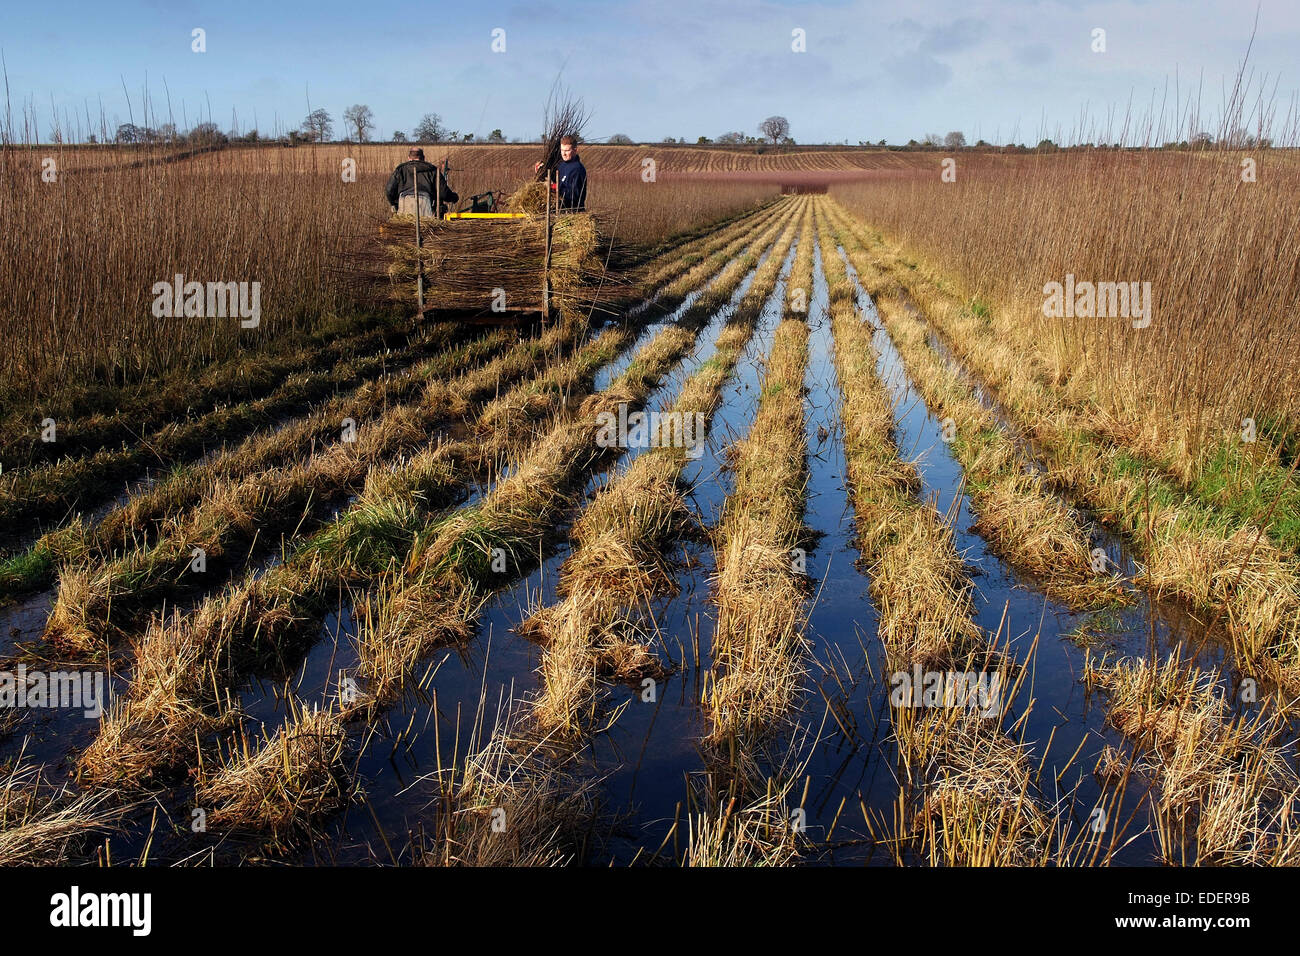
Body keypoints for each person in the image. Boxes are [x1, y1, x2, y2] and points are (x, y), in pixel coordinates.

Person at [385, 147, 458, 216]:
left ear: (409, 158)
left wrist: (394, 204)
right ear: (423, 158)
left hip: (404, 212)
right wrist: (453, 197)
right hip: (427, 213)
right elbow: (444, 193)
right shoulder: (433, 171)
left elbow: (389, 190)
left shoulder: (400, 170)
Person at [534, 135, 587, 211]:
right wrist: (541, 171)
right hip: (560, 210)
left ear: (575, 150)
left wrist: (554, 187)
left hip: (572, 212)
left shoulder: (577, 169)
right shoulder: (562, 165)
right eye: (562, 150)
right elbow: (556, 179)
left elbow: (575, 195)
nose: (564, 154)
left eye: (567, 150)